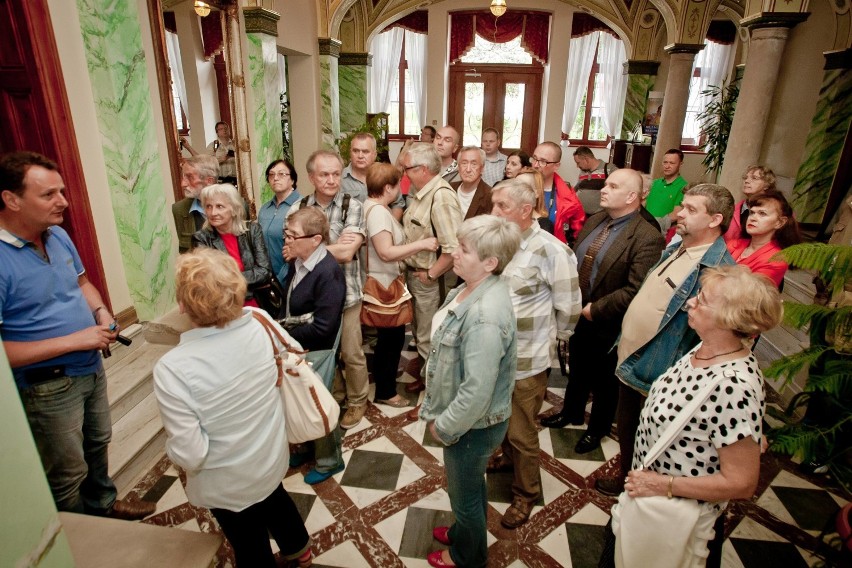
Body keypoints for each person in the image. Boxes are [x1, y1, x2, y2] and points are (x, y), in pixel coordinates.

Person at [0, 151, 154, 520]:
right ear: (11, 199)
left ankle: (104, 507)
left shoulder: (57, 236)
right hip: (46, 386)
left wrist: (101, 311)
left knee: (98, 443)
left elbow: (81, 282)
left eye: (62, 191)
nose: (63, 202)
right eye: (49, 195)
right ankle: (83, 542)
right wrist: (76, 340)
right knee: (67, 473)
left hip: (89, 369)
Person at [607, 265, 782, 567]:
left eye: (701, 300)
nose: (690, 302)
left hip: (675, 519)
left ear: (729, 319)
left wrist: (662, 484)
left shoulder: (734, 387)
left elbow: (741, 482)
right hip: (649, 501)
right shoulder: (704, 348)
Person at [153, 249, 312, 568]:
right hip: (269, 456)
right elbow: (293, 352)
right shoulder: (260, 322)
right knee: (276, 500)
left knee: (249, 542)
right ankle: (300, 551)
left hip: (227, 482)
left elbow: (191, 453)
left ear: (183, 306)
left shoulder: (172, 368)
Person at [594, 183, 735, 498]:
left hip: (661, 368)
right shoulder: (677, 246)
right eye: (682, 206)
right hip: (634, 358)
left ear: (715, 220)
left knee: (653, 441)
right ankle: (627, 478)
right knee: (629, 431)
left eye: (690, 209)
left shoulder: (719, 271)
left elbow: (710, 336)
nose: (679, 213)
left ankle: (643, 494)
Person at [542, 170, 665, 458]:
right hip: (578, 311)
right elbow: (576, 256)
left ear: (632, 197)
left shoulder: (646, 235)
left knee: (605, 381)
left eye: (613, 186)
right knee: (578, 367)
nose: (604, 189)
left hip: (608, 319)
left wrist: (595, 309)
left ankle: (595, 430)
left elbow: (636, 288)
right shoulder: (597, 219)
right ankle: (571, 412)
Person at [421, 215, 521, 568]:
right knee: (471, 485)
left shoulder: (484, 316)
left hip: (472, 425)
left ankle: (468, 555)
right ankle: (465, 534)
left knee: (463, 497)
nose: (455, 253)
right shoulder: (471, 286)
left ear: (490, 263)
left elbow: (477, 389)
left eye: (464, 249)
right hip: (471, 421)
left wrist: (444, 426)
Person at [488, 179, 582, 528]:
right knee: (501, 419)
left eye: (502, 206)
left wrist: (554, 344)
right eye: (494, 204)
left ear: (525, 212)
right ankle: (508, 460)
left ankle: (526, 494)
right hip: (495, 353)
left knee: (522, 430)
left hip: (526, 358)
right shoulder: (502, 242)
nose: (494, 212)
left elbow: (569, 306)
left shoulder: (551, 250)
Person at [286, 150, 369, 430]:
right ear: (311, 177)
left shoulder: (353, 206)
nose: (332, 180)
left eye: (336, 173)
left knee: (351, 351)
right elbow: (291, 252)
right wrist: (328, 248)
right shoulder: (299, 208)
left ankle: (358, 401)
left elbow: (347, 253)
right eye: (324, 174)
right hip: (312, 295)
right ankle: (336, 396)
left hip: (347, 293)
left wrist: (309, 248)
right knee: (322, 350)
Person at [280, 207, 347, 485]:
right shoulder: (300, 261)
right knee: (303, 402)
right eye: (287, 233)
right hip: (301, 347)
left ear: (316, 239)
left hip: (317, 350)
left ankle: (330, 460)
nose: (287, 240)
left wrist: (287, 339)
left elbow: (324, 328)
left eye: (293, 235)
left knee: (319, 404)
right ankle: (307, 447)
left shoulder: (328, 272)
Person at [363, 163, 437, 408]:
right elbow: (385, 252)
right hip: (383, 285)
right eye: (397, 185)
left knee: (390, 340)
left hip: (385, 281)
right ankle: (386, 391)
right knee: (390, 341)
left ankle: (385, 387)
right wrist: (422, 244)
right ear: (387, 188)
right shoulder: (377, 212)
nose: (401, 189)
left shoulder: (374, 207)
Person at [399, 143, 462, 401]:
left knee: (429, 336)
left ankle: (434, 394)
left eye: (407, 169)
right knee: (421, 332)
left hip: (429, 279)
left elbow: (453, 248)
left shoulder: (441, 197)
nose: (404, 174)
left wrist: (431, 275)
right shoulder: (422, 192)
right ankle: (427, 378)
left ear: (423, 169)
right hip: (418, 275)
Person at [191, 184, 271, 307]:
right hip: (223, 305)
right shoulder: (201, 238)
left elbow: (264, 271)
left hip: (255, 302)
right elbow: (210, 279)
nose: (213, 212)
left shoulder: (253, 230)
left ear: (234, 209)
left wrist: (226, 280)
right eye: (208, 207)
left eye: (219, 206)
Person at [727, 188, 801, 288]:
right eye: (752, 212)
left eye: (762, 214)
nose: (752, 218)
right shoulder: (733, 243)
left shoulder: (777, 260)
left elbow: (747, 293)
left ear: (780, 222)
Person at [532, 141, 585, 246]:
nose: (536, 165)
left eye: (543, 161)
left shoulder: (568, 199)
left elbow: (578, 233)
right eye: (534, 158)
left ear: (556, 166)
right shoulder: (519, 186)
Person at [258, 159, 301, 283]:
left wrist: (282, 276)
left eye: (281, 174)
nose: (275, 178)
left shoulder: (302, 206)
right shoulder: (265, 209)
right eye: (271, 175)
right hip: (266, 278)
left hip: (293, 275)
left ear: (292, 179)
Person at [342, 132, 405, 214]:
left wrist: (390, 224)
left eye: (365, 152)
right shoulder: (339, 178)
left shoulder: (386, 175)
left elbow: (398, 204)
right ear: (350, 153)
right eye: (356, 151)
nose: (360, 156)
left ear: (374, 154)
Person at [173, 154, 218, 253]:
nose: (183, 184)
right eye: (183, 177)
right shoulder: (179, 210)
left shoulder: (236, 206)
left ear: (209, 181)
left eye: (189, 177)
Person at [724, 165, 776, 243]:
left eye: (754, 178)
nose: (746, 181)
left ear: (767, 185)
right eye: (746, 178)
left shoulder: (779, 210)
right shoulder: (732, 210)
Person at [645, 148, 687, 230]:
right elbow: (644, 203)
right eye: (665, 162)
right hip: (644, 225)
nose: (667, 166)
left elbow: (676, 214)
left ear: (680, 164)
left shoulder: (683, 187)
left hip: (662, 230)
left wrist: (652, 224)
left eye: (672, 163)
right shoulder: (655, 183)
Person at [573, 146, 618, 216]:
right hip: (581, 215)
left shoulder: (609, 169)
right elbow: (578, 187)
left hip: (599, 217)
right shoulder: (582, 172)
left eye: (578, 163)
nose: (577, 166)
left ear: (586, 160)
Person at [451, 146, 493, 220]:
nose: (468, 169)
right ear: (458, 167)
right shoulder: (449, 188)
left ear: (482, 168)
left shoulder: (490, 195)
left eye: (474, 164)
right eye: (464, 163)